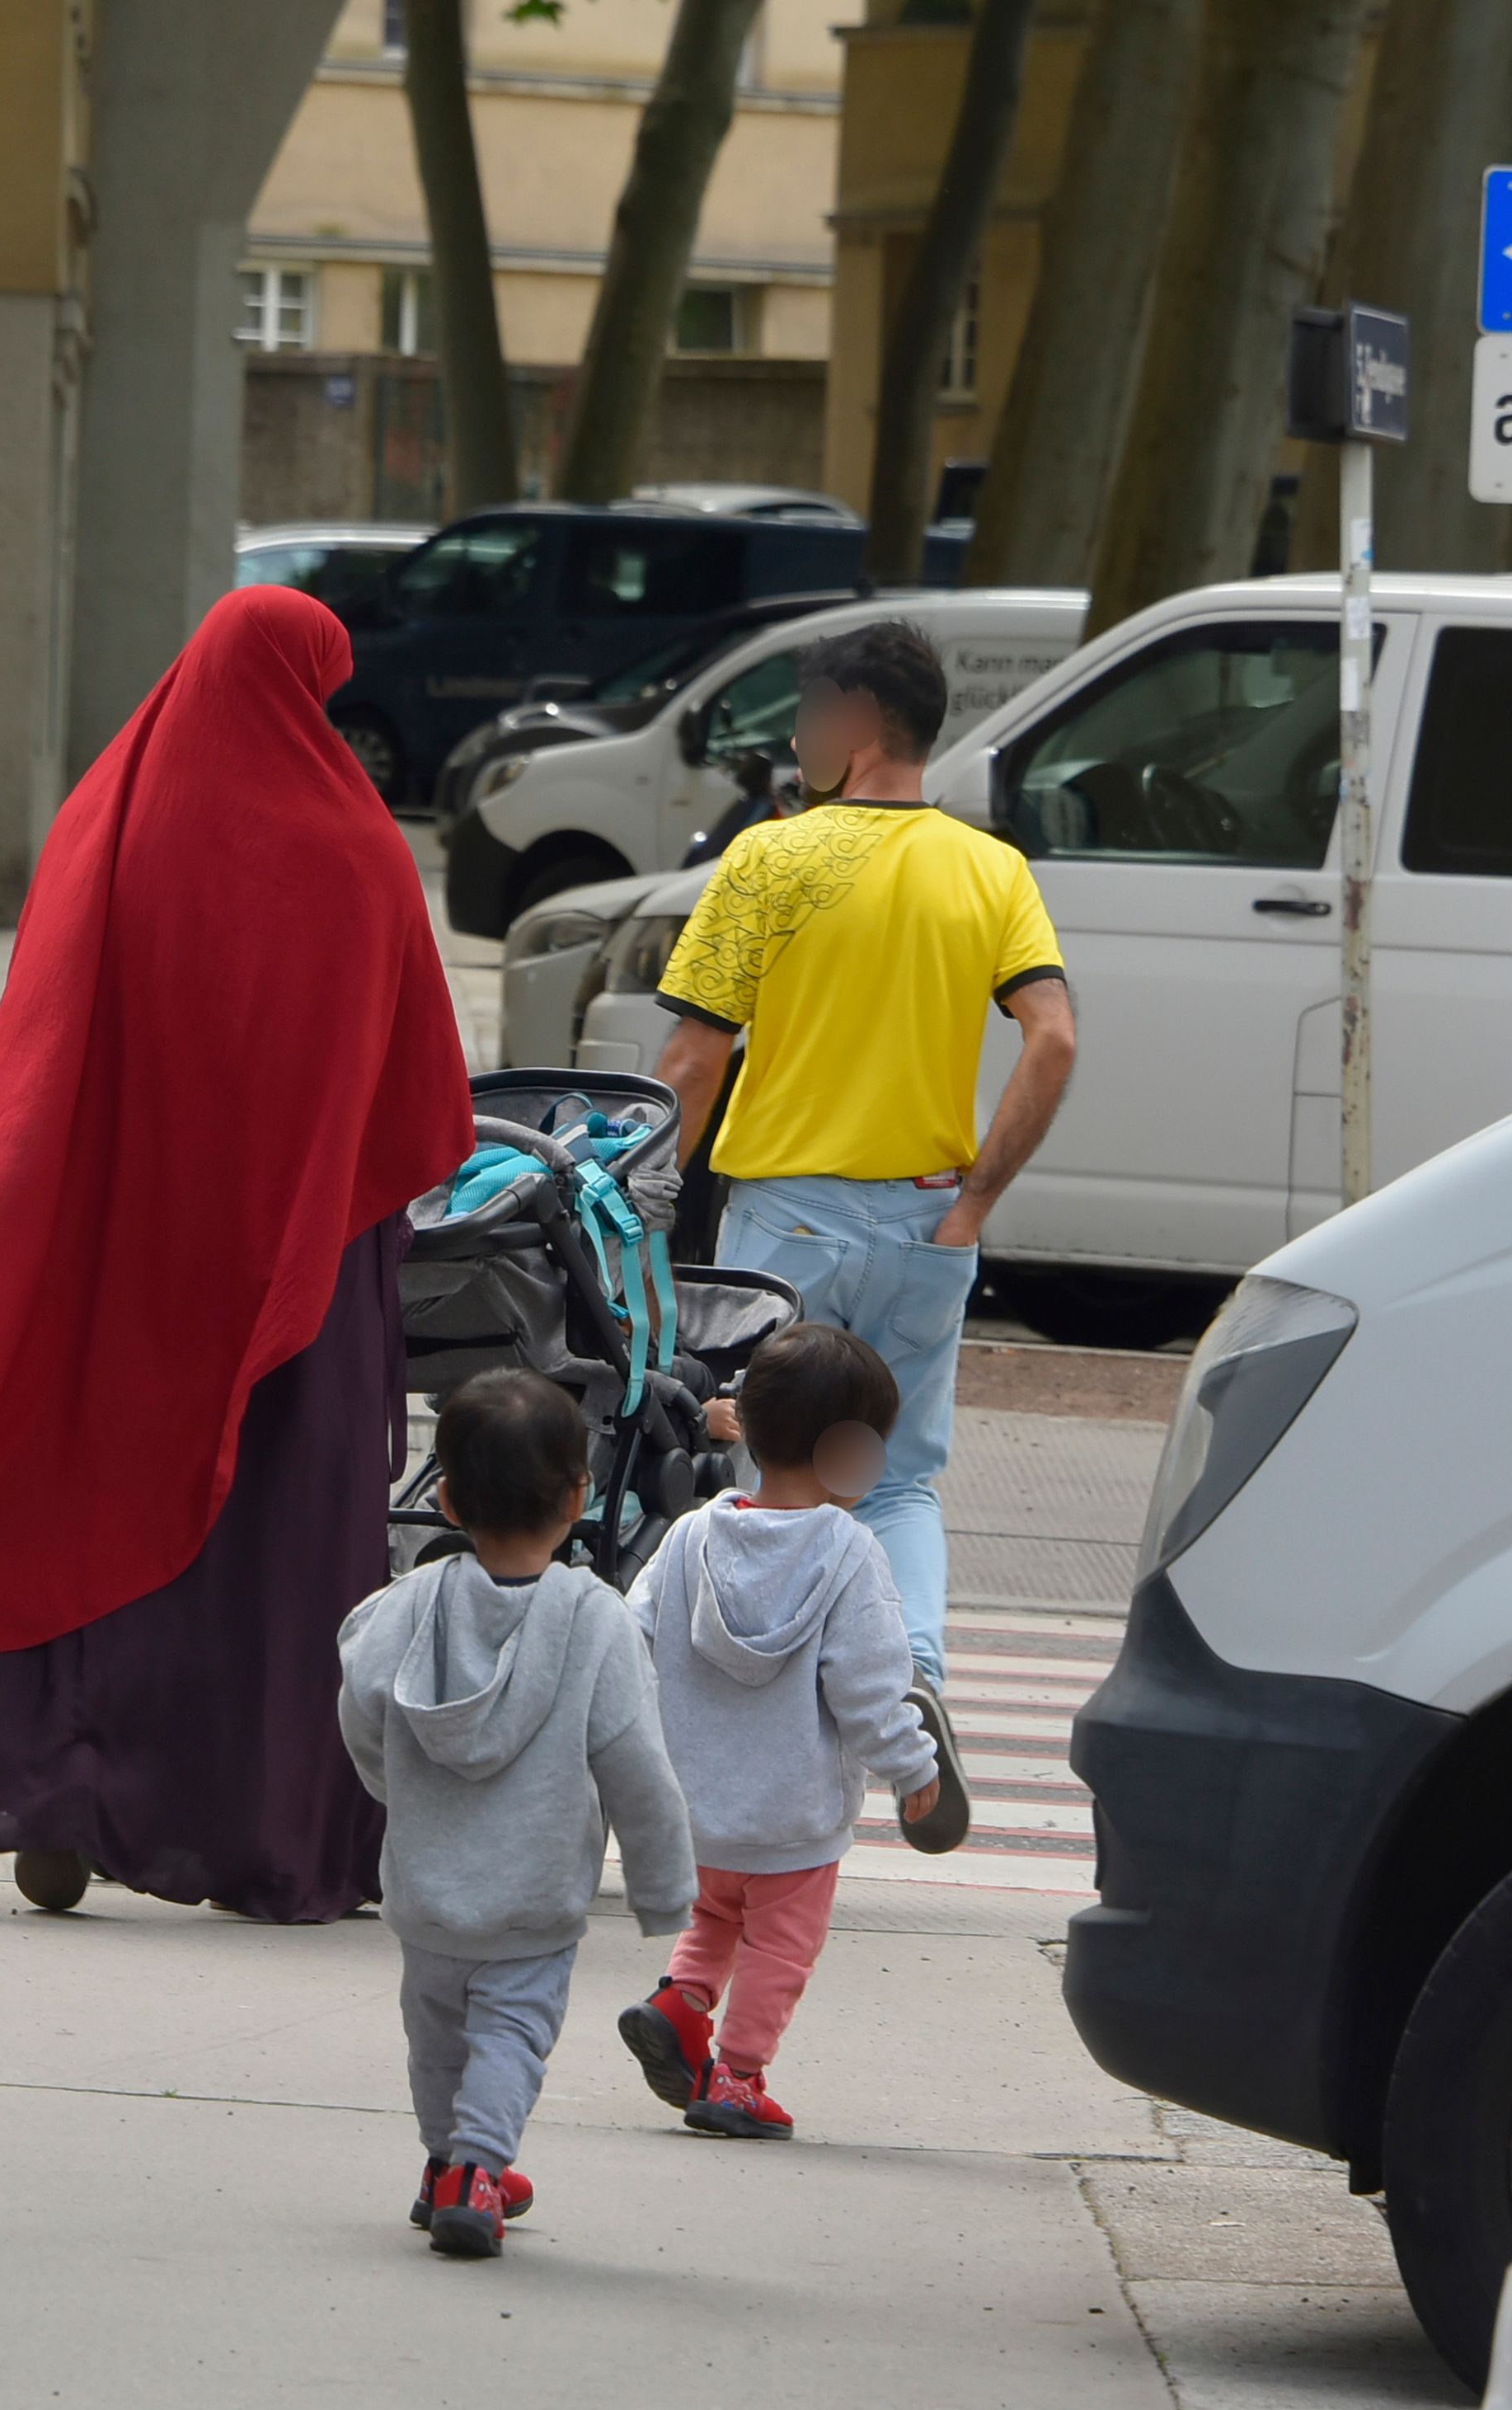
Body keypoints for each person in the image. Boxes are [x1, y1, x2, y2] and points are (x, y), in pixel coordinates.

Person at [0, 585, 475, 1923]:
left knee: (72, 1481)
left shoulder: (111, 820)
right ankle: (250, 1826)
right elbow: (416, 1091)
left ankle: (50, 1783)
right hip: (295, 1254)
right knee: (278, 1538)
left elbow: (46, 1036)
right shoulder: (359, 851)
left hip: (116, 1237)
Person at [646, 617, 1078, 1785]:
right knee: (893, 1477)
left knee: (760, 1463)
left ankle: (756, 1716)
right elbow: (1053, 1037)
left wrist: (640, 1204)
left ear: (851, 723)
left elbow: (694, 1059)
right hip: (930, 1224)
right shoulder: (993, 870)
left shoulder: (768, 860)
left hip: (786, 1225)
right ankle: (915, 1673)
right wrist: (977, 1200)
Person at [336, 1370, 698, 2257]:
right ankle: (478, 2169)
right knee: (510, 2034)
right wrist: (664, 1891)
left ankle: (445, 2162)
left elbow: (359, 1703)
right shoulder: (596, 1623)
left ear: (449, 1497)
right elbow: (637, 1769)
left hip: (424, 1891)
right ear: (579, 1497)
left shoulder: (404, 1607)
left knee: (436, 2040)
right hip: (533, 1896)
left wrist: (393, 1789)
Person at [615, 1322, 940, 2141]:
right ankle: (738, 2075)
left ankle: (680, 2003)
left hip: (699, 1809)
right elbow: (870, 1690)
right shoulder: (848, 1554)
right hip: (793, 1819)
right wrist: (912, 1766)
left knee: (716, 1916)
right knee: (778, 1949)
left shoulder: (690, 1534)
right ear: (851, 1451)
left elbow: (629, 1639)